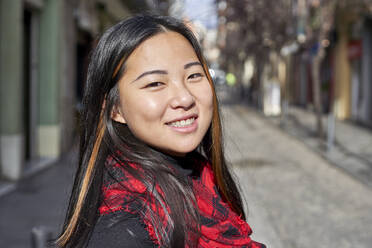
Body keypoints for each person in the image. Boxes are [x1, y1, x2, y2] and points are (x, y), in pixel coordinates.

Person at [56, 14, 265, 248]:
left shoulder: (200, 176)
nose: (185, 98)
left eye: (194, 75)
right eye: (155, 83)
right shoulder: (126, 228)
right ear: (115, 109)